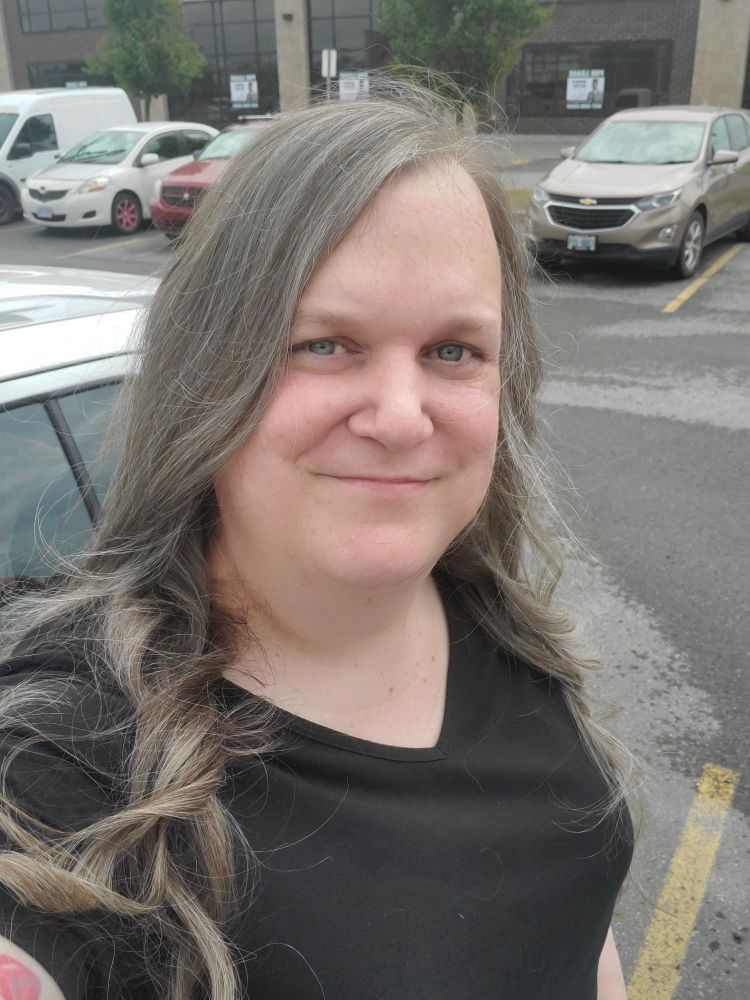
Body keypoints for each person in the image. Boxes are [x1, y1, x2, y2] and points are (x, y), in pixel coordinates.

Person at [0, 80, 634, 1000]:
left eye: (453, 351)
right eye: (325, 344)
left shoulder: (502, 624)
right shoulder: (68, 770)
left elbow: (576, 929)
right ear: (207, 372)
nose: (400, 417)